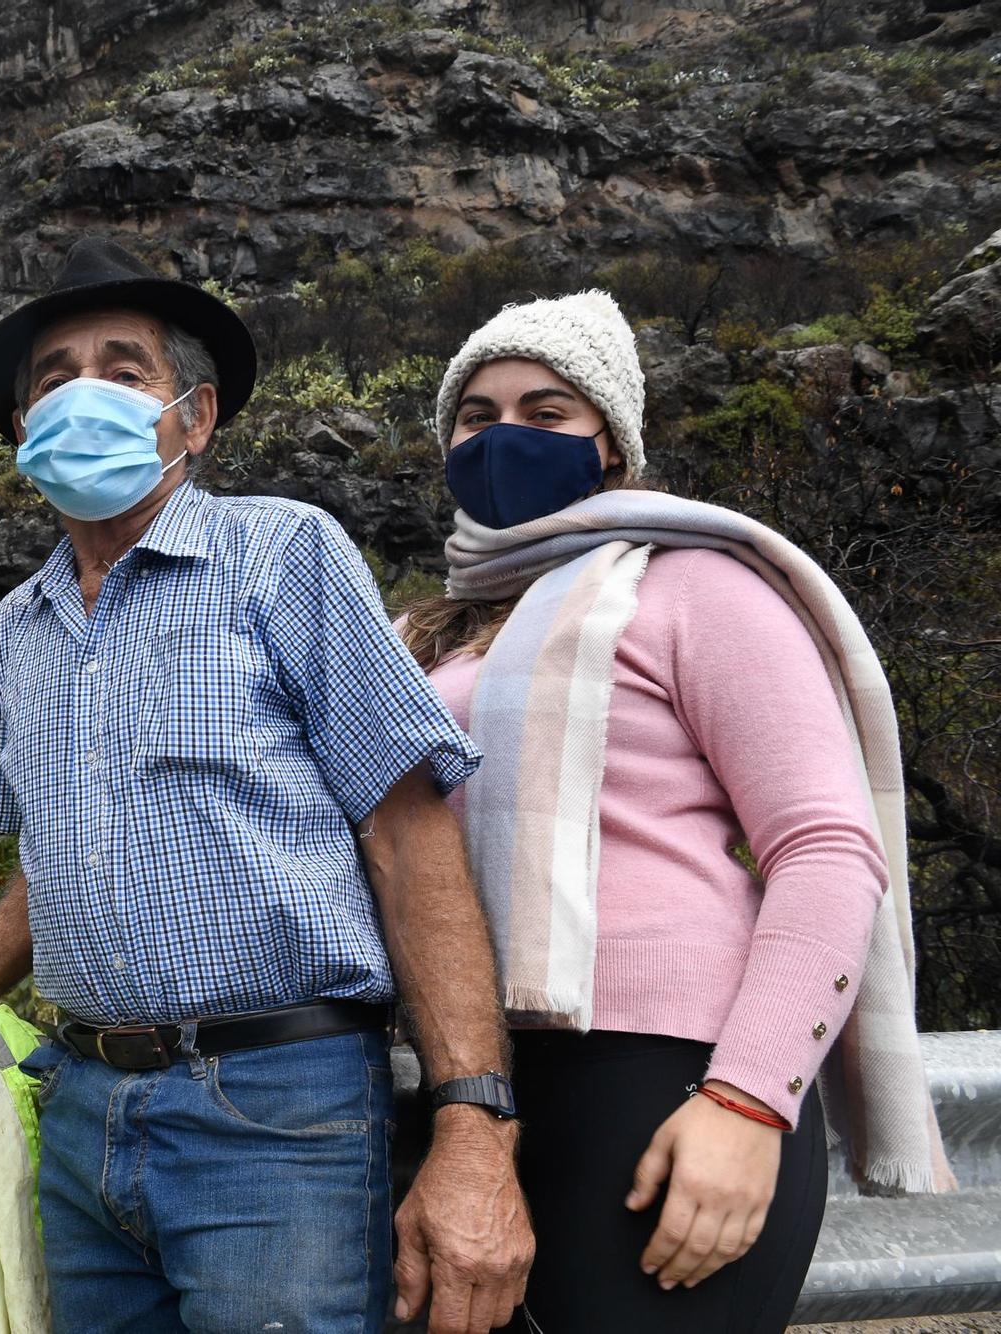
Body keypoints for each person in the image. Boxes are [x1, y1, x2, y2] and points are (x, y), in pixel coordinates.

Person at [0, 235, 535, 1334]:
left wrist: (471, 1119)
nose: (81, 391)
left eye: (122, 369)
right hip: (81, 1111)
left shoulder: (282, 553)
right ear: (22, 434)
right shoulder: (13, 629)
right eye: (53, 377)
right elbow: (56, 861)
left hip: (274, 1106)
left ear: (195, 416)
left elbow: (407, 834)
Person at [402, 290, 954, 1334]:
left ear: (610, 444)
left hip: (663, 1083)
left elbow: (827, 850)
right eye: (475, 416)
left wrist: (747, 1101)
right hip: (474, 1087)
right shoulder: (431, 633)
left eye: (545, 410)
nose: (502, 434)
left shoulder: (697, 587)